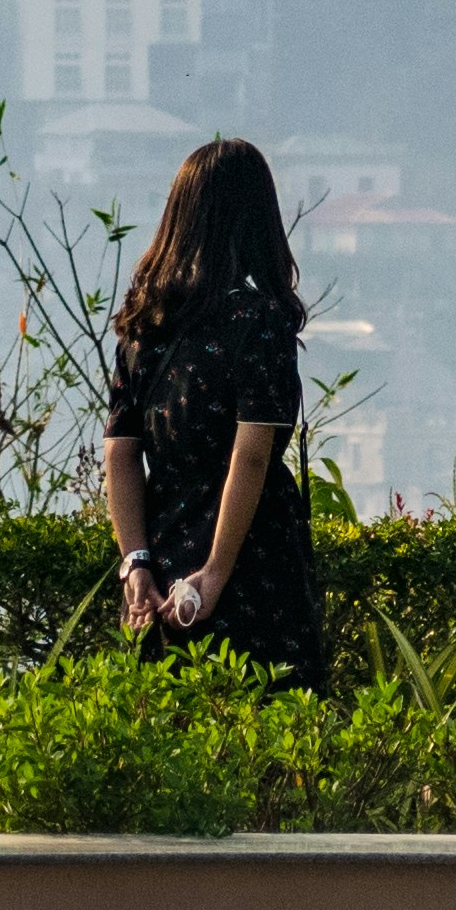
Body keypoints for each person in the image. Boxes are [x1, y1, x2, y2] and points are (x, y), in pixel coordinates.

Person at [100, 136, 323, 684]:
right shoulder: (259, 322)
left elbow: (121, 456)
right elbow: (250, 457)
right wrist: (216, 573)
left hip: (165, 541)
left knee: (169, 728)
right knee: (272, 725)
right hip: (254, 552)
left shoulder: (141, 324)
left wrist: (137, 565)